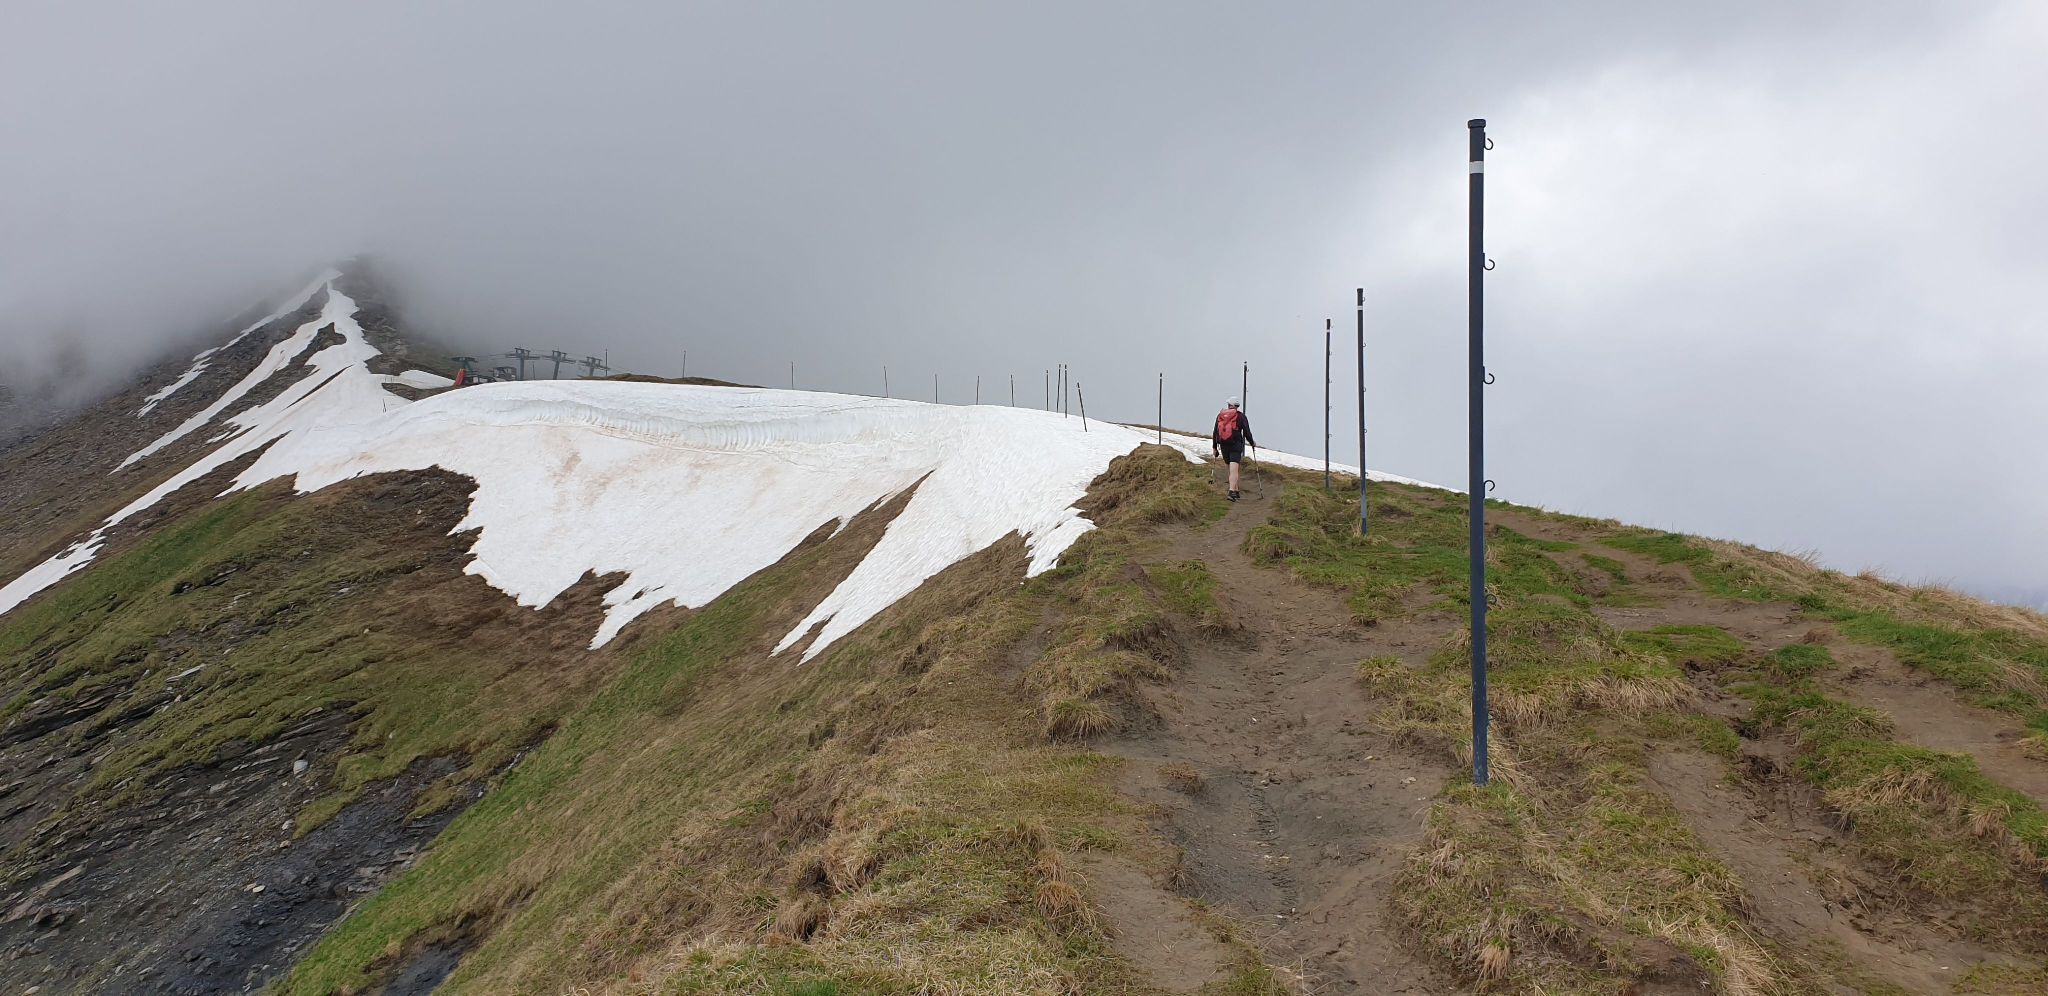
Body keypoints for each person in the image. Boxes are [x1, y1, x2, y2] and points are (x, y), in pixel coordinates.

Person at [1211, 397, 1256, 501]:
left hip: (1224, 445)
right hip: (1236, 445)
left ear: (1229, 405)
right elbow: (1246, 432)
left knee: (1230, 468)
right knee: (1234, 470)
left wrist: (1214, 447)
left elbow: (1215, 432)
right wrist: (1252, 442)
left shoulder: (1220, 415)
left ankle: (1236, 491)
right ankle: (1231, 491)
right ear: (1237, 406)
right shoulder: (1241, 416)